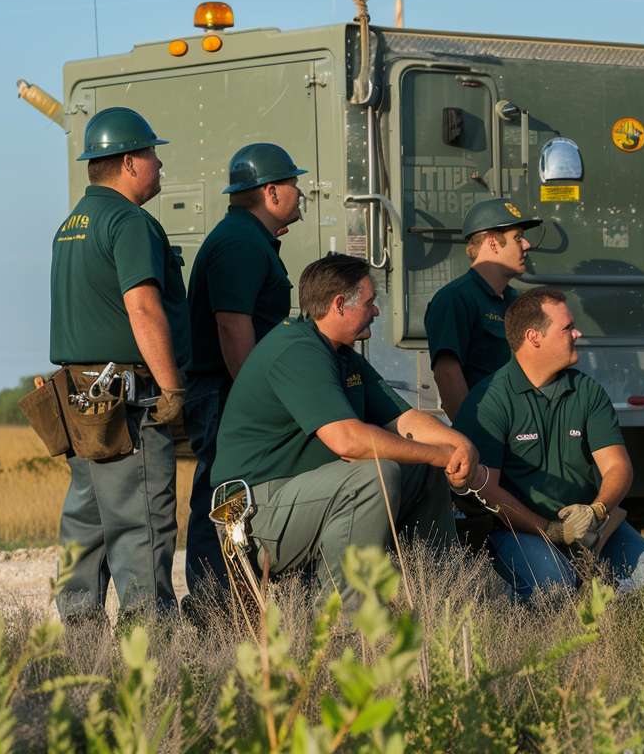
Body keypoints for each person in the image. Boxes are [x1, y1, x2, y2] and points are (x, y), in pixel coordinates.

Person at [210, 254, 477, 607]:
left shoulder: (340, 354)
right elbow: (348, 442)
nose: (377, 311)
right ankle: (347, 621)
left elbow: (403, 420)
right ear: (339, 304)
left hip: (299, 497)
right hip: (256, 513)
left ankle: (436, 600)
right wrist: (438, 453)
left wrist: (458, 445)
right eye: (369, 302)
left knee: (420, 470)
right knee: (373, 474)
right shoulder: (296, 349)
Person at [48, 106, 189, 623]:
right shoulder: (129, 222)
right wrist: (171, 389)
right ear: (129, 162)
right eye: (153, 154)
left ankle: (81, 655)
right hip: (128, 402)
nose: (159, 165)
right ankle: (150, 661)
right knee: (142, 527)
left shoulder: (71, 225)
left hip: (80, 400)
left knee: (86, 528)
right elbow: (143, 308)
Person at [453, 288, 644, 599]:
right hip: (517, 530)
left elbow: (618, 466)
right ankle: (513, 602)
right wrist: (551, 530)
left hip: (590, 527)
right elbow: (487, 491)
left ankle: (610, 629)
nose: (578, 333)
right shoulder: (489, 399)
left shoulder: (587, 391)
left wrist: (596, 511)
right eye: (567, 327)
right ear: (534, 337)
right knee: (554, 588)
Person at [182, 143, 307, 600]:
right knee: (222, 493)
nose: (300, 193)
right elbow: (232, 325)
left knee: (233, 492)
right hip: (225, 390)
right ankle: (212, 602)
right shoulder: (239, 242)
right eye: (294, 184)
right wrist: (254, 395)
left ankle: (231, 598)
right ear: (271, 192)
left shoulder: (247, 238)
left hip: (227, 387)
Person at [425, 198, 542, 420]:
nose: (527, 245)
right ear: (492, 243)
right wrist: (473, 433)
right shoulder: (455, 299)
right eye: (517, 237)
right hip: (491, 429)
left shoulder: (515, 300)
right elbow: (447, 373)